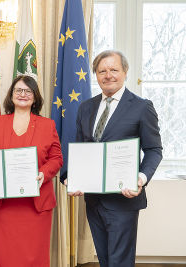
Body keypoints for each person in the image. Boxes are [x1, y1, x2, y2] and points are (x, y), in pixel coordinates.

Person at [66, 50, 162, 267]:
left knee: (120, 261)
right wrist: (73, 178)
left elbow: (154, 149)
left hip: (123, 198)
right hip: (93, 199)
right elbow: (82, 150)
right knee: (105, 259)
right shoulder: (86, 107)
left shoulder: (141, 106)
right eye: (102, 71)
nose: (108, 75)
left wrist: (141, 177)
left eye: (113, 70)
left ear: (125, 72)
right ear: (96, 75)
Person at [0, 75, 63, 267]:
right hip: (5, 206)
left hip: (36, 206)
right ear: (11, 95)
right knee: (6, 258)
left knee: (34, 259)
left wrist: (43, 174)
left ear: (35, 97)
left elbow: (56, 159)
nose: (23, 94)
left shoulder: (48, 125)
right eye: (18, 90)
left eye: (28, 91)